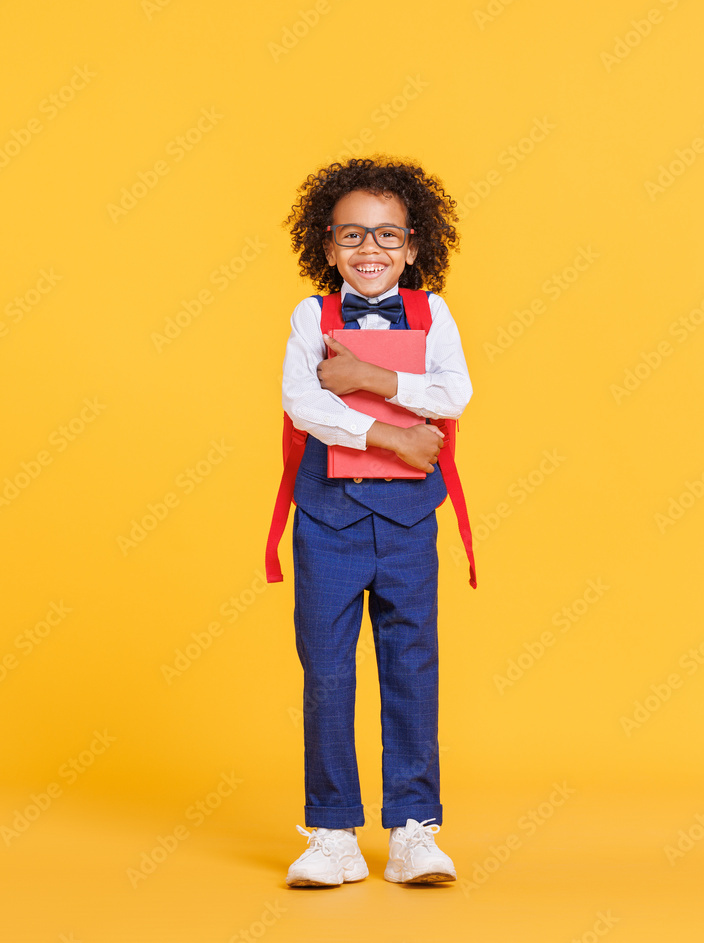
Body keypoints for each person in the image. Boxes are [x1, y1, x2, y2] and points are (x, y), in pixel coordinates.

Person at [277, 157, 472, 886]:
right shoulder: (310, 316)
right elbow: (305, 405)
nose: (369, 249)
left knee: (411, 663)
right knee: (326, 668)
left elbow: (456, 394)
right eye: (352, 234)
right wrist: (392, 431)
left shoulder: (434, 314)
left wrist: (370, 378)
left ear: (414, 244)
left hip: (407, 517)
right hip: (326, 516)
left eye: (387, 235)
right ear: (326, 246)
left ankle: (414, 828)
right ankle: (332, 830)